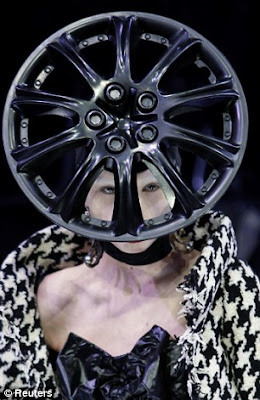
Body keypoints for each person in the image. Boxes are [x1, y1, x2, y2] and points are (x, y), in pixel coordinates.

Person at [1, 11, 260, 400]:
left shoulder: (228, 289)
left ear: (178, 188)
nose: (133, 209)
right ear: (79, 195)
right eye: (108, 191)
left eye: (152, 185)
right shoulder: (44, 298)